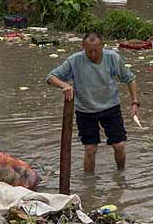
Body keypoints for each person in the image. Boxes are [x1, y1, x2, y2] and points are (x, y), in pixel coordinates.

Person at [46, 33, 139, 172]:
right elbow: (51, 77)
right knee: (90, 149)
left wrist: (135, 102)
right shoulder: (75, 60)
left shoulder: (113, 58)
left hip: (111, 108)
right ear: (83, 48)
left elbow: (130, 78)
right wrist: (64, 85)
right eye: (89, 51)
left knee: (119, 145)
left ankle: (121, 174)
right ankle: (89, 182)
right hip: (86, 111)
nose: (93, 54)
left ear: (103, 46)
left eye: (97, 50)